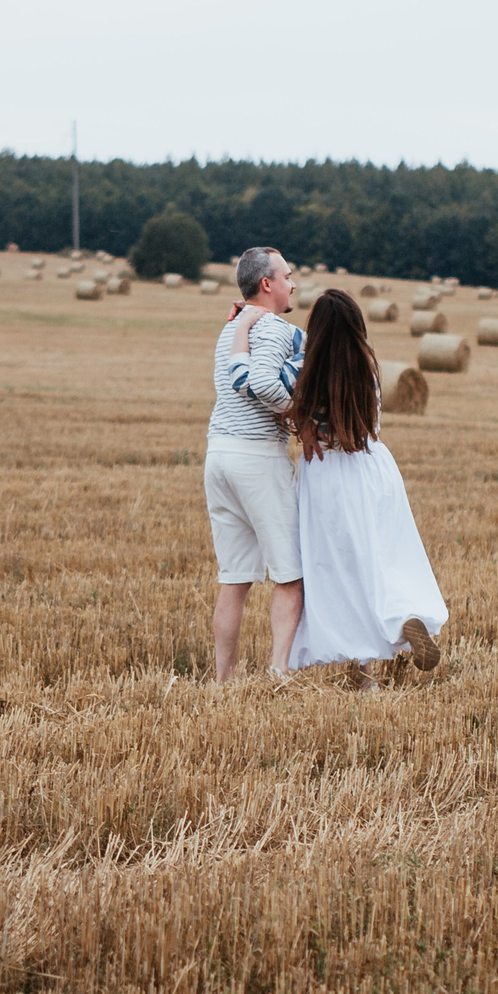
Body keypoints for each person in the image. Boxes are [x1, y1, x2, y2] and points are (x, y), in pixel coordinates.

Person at [275, 288, 447, 685]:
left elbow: (293, 417)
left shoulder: (306, 370)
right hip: (374, 469)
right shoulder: (367, 365)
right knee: (382, 558)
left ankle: (362, 667)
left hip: (327, 474)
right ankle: (403, 617)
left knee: (339, 571)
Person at [206, 246, 304, 681]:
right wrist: (292, 411)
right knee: (290, 575)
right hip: (257, 457)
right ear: (267, 284)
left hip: (218, 455)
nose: (293, 282)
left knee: (235, 578)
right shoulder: (275, 328)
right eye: (287, 275)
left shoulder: (230, 328)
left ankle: (222, 682)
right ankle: (279, 673)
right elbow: (263, 382)